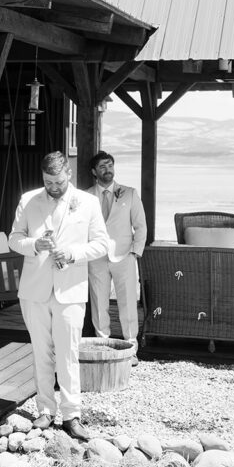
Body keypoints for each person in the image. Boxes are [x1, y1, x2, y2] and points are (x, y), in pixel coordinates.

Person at [9, 151, 110, 440]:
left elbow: (102, 244)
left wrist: (74, 253)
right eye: (47, 181)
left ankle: (72, 414)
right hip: (35, 289)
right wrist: (34, 244)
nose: (53, 186)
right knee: (41, 352)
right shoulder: (29, 200)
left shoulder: (88, 203)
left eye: (57, 181)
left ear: (69, 174)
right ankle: (45, 410)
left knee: (68, 354)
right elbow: (14, 238)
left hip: (71, 290)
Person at [87, 151, 147, 360]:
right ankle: (103, 345)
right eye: (102, 167)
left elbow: (140, 226)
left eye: (110, 165)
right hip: (96, 258)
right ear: (94, 171)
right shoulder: (85, 197)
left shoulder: (129, 193)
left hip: (124, 256)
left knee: (128, 303)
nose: (108, 170)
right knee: (99, 304)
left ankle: (131, 350)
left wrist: (135, 253)